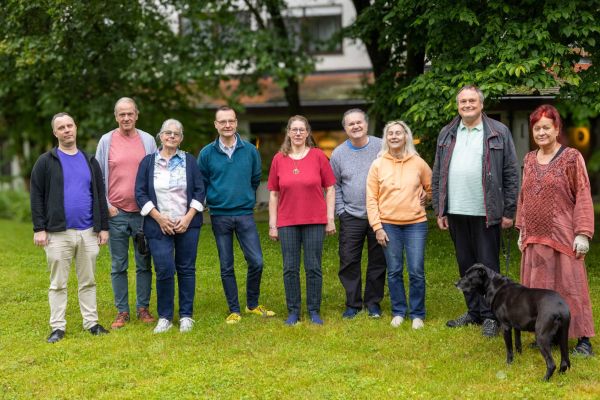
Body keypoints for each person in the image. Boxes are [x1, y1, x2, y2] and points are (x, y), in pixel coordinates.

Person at [431, 85, 519, 337]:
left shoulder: (498, 132)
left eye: (472, 101)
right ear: (457, 105)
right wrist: (439, 209)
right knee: (466, 265)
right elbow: (438, 172)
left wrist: (509, 210)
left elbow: (511, 172)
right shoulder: (447, 133)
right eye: (463, 101)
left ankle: (491, 316)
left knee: (488, 267)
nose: (467, 105)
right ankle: (474, 312)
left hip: (486, 212)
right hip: (456, 210)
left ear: (481, 104)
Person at [516, 104, 595, 356]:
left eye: (546, 127)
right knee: (539, 290)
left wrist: (583, 232)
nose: (541, 132)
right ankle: (547, 333)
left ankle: (583, 340)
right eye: (536, 128)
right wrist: (522, 229)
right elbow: (523, 197)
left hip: (563, 236)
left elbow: (583, 193)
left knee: (570, 287)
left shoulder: (572, 157)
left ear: (557, 129)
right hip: (534, 237)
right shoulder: (529, 159)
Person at [30, 112, 110, 343]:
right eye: (61, 127)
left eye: (69, 125)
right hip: (58, 233)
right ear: (55, 133)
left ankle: (91, 323)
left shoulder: (90, 161)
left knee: (88, 281)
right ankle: (57, 327)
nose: (67, 130)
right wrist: (39, 228)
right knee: (58, 284)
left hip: (88, 231)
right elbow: (36, 196)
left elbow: (99, 195)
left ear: (76, 128)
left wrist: (103, 227)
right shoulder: (46, 161)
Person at [198, 106, 275, 324]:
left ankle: (252, 304)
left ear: (236, 123)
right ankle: (234, 310)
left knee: (257, 261)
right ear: (216, 125)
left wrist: (244, 197)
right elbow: (201, 182)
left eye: (230, 121)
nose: (227, 125)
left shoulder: (250, 150)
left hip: (244, 214)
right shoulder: (206, 153)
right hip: (219, 215)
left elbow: (255, 179)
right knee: (226, 265)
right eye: (222, 121)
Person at [135, 119, 205, 333]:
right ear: (160, 136)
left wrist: (188, 218)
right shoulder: (148, 162)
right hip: (158, 225)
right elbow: (140, 193)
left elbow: (200, 191)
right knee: (164, 269)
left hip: (187, 224)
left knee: (186, 269)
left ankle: (186, 316)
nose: (172, 136)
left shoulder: (190, 161)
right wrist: (159, 218)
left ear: (181, 138)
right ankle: (165, 317)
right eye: (168, 133)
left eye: (176, 133)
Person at [267, 115, 336, 325]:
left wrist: (330, 219)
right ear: (288, 132)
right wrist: (273, 224)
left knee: (313, 267)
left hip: (314, 220)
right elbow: (273, 194)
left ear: (307, 133)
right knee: (290, 268)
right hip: (287, 221)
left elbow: (330, 188)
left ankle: (314, 310)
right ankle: (293, 311)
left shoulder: (318, 156)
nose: (298, 133)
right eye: (294, 129)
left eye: (301, 130)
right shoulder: (279, 159)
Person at [96, 97, 158, 329]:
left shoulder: (148, 140)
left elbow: (156, 173)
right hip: (117, 213)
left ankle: (143, 308)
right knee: (118, 265)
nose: (126, 118)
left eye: (130, 113)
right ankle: (122, 311)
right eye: (121, 114)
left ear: (136, 115)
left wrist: (152, 207)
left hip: (143, 214)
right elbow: (98, 176)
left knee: (144, 263)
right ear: (116, 117)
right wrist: (107, 206)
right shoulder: (106, 140)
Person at [366, 121, 432, 329]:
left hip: (416, 224)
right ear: (386, 138)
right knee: (394, 270)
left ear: (406, 137)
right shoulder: (378, 164)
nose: (394, 136)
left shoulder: (418, 162)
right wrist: (377, 227)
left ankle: (417, 314)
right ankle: (399, 311)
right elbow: (371, 198)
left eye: (398, 133)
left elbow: (432, 187)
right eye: (390, 133)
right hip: (388, 224)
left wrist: (427, 195)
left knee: (416, 270)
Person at [330, 109, 387, 319]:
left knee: (378, 261)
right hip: (351, 216)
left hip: (379, 216)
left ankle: (373, 304)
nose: (355, 126)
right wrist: (341, 211)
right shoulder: (338, 154)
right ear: (345, 128)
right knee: (348, 261)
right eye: (350, 124)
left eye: (359, 122)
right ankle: (353, 304)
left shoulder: (382, 146)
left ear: (366, 124)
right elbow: (334, 185)